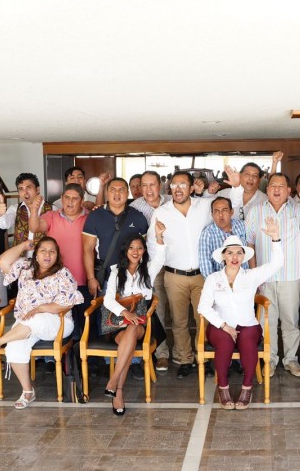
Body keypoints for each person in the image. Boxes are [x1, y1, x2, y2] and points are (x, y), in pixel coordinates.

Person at [0, 238, 83, 409]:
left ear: (57, 255)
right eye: (43, 251)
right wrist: (24, 246)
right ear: (36, 255)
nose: (47, 255)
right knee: (14, 347)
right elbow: (3, 261)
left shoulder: (63, 273)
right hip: (26, 323)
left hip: (57, 322)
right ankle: (28, 391)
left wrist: (41, 308)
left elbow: (68, 303)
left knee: (35, 319)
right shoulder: (25, 267)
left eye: (52, 251)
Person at [149, 170, 238, 379]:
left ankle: (203, 358)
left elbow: (227, 206)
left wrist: (236, 187)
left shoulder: (205, 206)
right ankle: (184, 359)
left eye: (182, 185)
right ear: (169, 189)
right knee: (179, 321)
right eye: (174, 185)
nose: (177, 189)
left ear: (191, 188)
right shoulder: (161, 213)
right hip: (174, 275)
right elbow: (153, 247)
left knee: (203, 319)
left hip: (202, 275)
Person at [198, 217, 282, 409]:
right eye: (230, 253)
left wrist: (276, 238)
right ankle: (224, 388)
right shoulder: (213, 279)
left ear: (243, 257)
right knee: (226, 340)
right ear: (224, 256)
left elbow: (276, 264)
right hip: (220, 325)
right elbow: (203, 307)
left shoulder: (251, 276)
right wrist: (224, 325)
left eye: (239, 253)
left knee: (248, 339)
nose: (234, 257)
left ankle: (247, 387)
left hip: (248, 324)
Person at [242, 172, 300, 376]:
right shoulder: (255, 211)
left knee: (291, 321)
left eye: (281, 186)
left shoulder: (297, 208)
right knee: (268, 321)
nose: (276, 189)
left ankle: (291, 359)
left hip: (291, 275)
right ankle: (270, 359)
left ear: (289, 191)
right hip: (265, 276)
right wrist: (255, 274)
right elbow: (249, 243)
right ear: (267, 190)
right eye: (273, 185)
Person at [102, 221, 166, 415]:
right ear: (126, 250)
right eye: (132, 248)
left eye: (140, 248)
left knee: (132, 331)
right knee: (127, 347)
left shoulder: (148, 270)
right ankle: (117, 390)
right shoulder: (115, 272)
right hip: (119, 322)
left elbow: (161, 257)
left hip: (142, 322)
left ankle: (113, 382)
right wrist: (125, 313)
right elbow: (107, 299)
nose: (136, 251)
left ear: (144, 251)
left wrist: (160, 236)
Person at [29, 184, 89, 338]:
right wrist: (34, 210)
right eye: (67, 198)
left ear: (82, 201)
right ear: (62, 199)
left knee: (82, 325)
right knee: (60, 328)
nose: (70, 202)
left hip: (82, 280)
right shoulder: (51, 216)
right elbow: (35, 227)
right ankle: (60, 361)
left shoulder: (89, 218)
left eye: (75, 198)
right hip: (55, 282)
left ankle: (82, 359)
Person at [129, 170, 173, 370]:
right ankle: (161, 353)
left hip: (177, 263)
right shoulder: (135, 208)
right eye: (143, 185)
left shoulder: (172, 201)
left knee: (182, 313)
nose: (148, 190)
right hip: (153, 266)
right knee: (159, 309)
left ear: (161, 185)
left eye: (152, 185)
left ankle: (187, 355)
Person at [0, 173, 53, 250]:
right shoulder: (15, 209)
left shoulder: (53, 209)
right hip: (20, 259)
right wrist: (0, 214)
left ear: (38, 189)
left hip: (44, 259)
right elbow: (4, 224)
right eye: (21, 189)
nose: (25, 192)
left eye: (28, 187)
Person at [198, 197, 247, 278]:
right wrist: (220, 286)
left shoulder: (242, 226)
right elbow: (205, 267)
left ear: (231, 212)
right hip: (220, 285)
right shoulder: (208, 233)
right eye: (216, 211)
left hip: (244, 280)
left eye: (224, 210)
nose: (220, 215)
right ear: (212, 214)